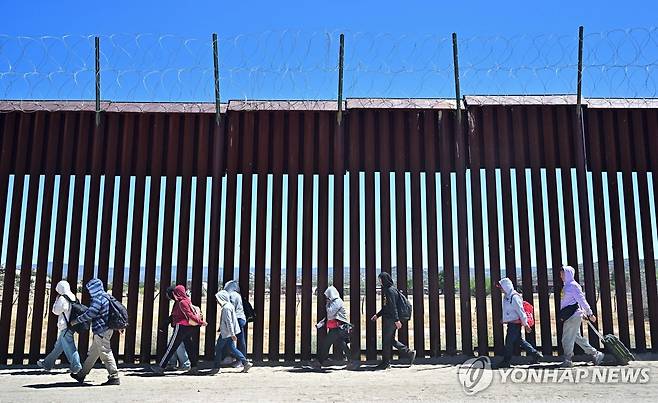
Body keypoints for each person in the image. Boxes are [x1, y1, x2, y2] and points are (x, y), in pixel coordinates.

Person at [69, 279, 119, 385]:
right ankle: (81, 375)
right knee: (92, 354)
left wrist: (76, 321)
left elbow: (91, 313)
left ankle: (114, 377)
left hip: (101, 330)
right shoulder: (106, 296)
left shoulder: (98, 299)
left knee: (106, 352)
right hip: (107, 329)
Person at [151, 285, 205, 375]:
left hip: (180, 327)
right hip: (188, 327)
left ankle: (161, 367)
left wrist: (200, 322)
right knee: (189, 347)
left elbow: (185, 315)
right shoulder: (187, 300)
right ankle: (194, 367)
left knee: (171, 347)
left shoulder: (180, 302)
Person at [559, 265, 605, 368]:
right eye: (561, 273)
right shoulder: (567, 285)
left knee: (566, 338)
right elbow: (575, 302)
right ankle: (596, 354)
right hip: (571, 315)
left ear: (568, 274)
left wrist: (590, 313)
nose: (561, 275)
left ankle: (568, 360)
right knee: (577, 338)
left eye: (563, 273)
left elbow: (581, 300)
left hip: (572, 316)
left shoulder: (573, 286)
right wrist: (583, 313)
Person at [370, 272, 416, 370]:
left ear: (384, 280)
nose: (380, 282)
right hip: (392, 318)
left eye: (380, 280)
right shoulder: (392, 289)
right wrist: (377, 315)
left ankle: (386, 363)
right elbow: (387, 307)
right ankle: (409, 352)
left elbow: (392, 307)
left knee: (386, 341)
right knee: (390, 340)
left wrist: (396, 320)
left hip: (391, 319)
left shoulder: (389, 291)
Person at [496, 277, 543, 368]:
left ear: (506, 286)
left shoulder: (514, 297)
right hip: (512, 323)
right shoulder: (507, 297)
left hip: (515, 324)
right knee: (519, 341)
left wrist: (526, 324)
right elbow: (509, 311)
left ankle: (506, 361)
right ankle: (535, 354)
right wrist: (505, 319)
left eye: (501, 287)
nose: (501, 289)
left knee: (509, 342)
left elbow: (520, 311)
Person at [37, 280, 82, 374]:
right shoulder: (73, 296)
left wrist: (56, 301)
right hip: (71, 325)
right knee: (58, 347)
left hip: (65, 326)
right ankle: (47, 363)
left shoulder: (62, 298)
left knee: (70, 347)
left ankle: (76, 366)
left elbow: (56, 311)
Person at [311, 286, 358, 370]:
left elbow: (330, 313)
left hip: (337, 327)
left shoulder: (337, 302)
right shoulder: (334, 301)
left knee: (326, 344)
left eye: (327, 295)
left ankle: (319, 362)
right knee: (342, 343)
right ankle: (352, 361)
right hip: (338, 327)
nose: (326, 297)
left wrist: (327, 304)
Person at [211, 290, 252, 374]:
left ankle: (216, 367)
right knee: (232, 348)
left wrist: (232, 334)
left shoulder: (226, 308)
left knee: (218, 348)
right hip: (228, 332)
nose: (217, 301)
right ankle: (245, 362)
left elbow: (229, 321)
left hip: (226, 333)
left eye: (217, 299)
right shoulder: (230, 306)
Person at [164, 286, 190, 371]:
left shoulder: (180, 302)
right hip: (179, 327)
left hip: (181, 327)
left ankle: (185, 364)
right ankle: (172, 363)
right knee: (175, 345)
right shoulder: (179, 301)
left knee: (178, 346)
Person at [224, 280, 247, 362]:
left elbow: (230, 307)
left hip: (235, 318)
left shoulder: (231, 295)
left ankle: (240, 360)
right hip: (240, 318)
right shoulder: (237, 294)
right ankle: (240, 359)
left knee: (232, 340)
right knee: (240, 340)